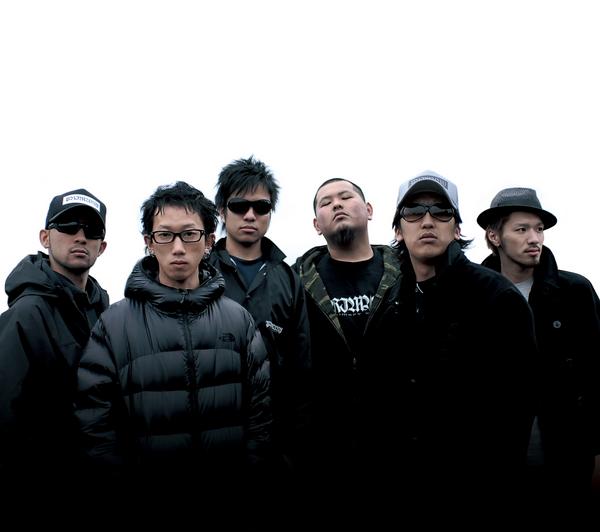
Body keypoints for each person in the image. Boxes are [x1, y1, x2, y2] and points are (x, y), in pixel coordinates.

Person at [74, 181, 271, 531]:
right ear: (149, 242)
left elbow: (261, 413)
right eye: (165, 235)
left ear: (209, 242)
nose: (178, 247)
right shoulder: (114, 324)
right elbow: (95, 421)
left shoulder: (238, 319)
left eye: (190, 234)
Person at [386, 171, 537, 527]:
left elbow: (518, 410)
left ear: (456, 229)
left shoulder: (497, 298)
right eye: (414, 212)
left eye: (441, 212)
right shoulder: (392, 303)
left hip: (477, 499)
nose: (427, 221)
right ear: (398, 230)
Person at [477, 187, 600, 524]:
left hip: (569, 460)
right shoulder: (475, 297)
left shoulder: (575, 292)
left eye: (539, 229)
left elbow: (596, 374)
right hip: (496, 466)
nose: (534, 239)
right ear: (494, 236)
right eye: (521, 229)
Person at [294, 177, 402, 530]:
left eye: (346, 196)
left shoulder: (407, 274)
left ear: (369, 210)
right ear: (316, 225)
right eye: (326, 203)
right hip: (324, 452)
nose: (337, 204)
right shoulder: (296, 283)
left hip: (397, 447)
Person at [0, 188, 108, 526]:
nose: (80, 236)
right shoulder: (26, 315)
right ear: (45, 237)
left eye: (91, 230)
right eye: (68, 226)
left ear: (102, 246)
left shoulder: (107, 315)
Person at [209, 157, 311, 508]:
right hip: (211, 439)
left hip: (275, 447)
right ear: (222, 211)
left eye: (261, 206)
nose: (250, 215)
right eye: (239, 206)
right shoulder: (200, 272)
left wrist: (294, 451)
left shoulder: (288, 278)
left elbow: (302, 368)